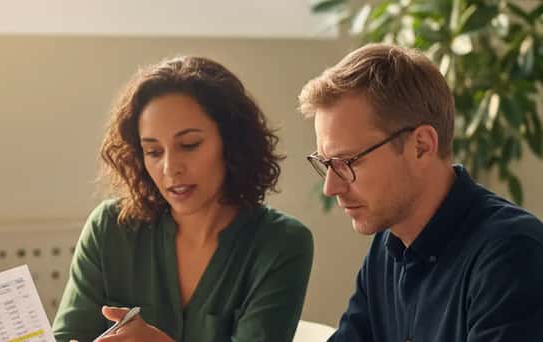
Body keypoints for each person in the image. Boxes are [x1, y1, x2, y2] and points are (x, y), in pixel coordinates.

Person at [52, 56, 314, 342]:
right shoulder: (109, 228)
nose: (170, 168)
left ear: (232, 142)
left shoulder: (281, 243)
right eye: (153, 152)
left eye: (189, 145)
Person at [298, 43, 543, 341]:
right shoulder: (386, 247)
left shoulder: (512, 254)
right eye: (326, 163)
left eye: (348, 162)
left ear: (422, 146)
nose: (330, 187)